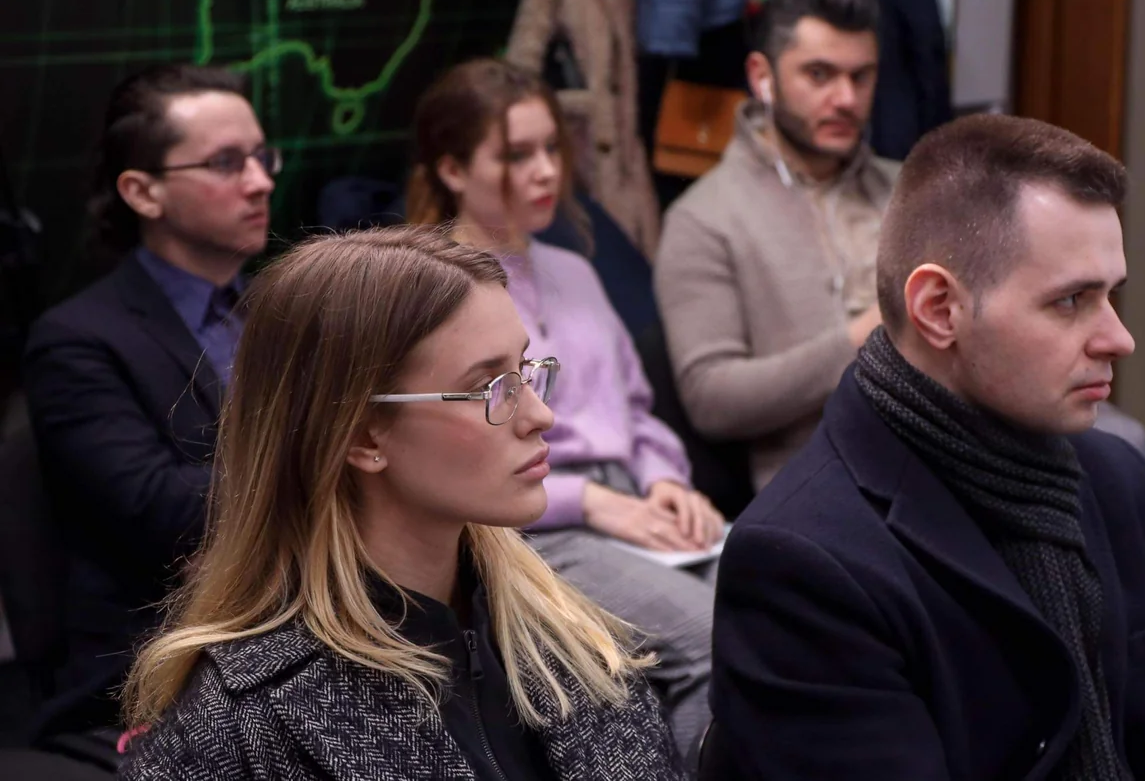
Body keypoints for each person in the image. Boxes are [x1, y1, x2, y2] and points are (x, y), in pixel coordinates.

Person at [706, 114, 1145, 779]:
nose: (1119, 338)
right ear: (939, 309)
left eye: (1112, 295)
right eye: (1071, 301)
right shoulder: (804, 562)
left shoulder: (1123, 486)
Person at [118, 227, 684, 779]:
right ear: (363, 435)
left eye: (526, 371)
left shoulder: (574, 638)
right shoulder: (238, 724)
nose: (541, 415)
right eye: (490, 387)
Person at [406, 57, 725, 755]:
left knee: (780, 601)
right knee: (711, 639)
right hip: (529, 524)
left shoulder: (576, 270)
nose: (546, 171)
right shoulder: (436, 293)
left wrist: (666, 480)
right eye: (516, 155)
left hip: (631, 499)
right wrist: (596, 502)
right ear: (453, 170)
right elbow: (463, 451)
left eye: (552, 148)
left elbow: (634, 407)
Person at [21, 64, 277, 737]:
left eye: (262, 156)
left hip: (292, 625)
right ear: (142, 191)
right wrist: (327, 465)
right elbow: (160, 508)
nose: (260, 181)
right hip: (162, 668)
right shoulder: (79, 339)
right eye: (227, 163)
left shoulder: (280, 312)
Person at [654, 0, 899, 491]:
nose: (846, 99)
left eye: (861, 76)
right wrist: (864, 338)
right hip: (821, 490)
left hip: (949, 457)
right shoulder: (705, 218)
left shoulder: (908, 190)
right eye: (819, 75)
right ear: (762, 77)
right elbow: (711, 399)